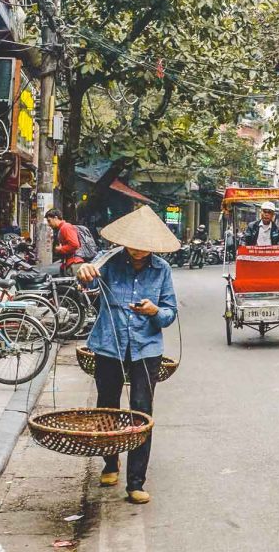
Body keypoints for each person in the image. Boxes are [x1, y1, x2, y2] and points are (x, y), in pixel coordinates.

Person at [76, 206, 180, 505]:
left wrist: (154, 311)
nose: (137, 249)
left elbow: (170, 313)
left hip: (146, 349)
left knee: (140, 411)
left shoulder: (162, 270)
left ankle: (136, 481)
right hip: (109, 344)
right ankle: (110, 463)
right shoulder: (108, 260)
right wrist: (83, 271)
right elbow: (86, 280)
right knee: (107, 407)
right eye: (133, 243)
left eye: (144, 245)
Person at [45, 208, 85, 276]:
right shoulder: (61, 229)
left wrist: (60, 249)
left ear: (55, 218)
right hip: (69, 263)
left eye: (49, 221)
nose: (49, 224)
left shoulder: (66, 227)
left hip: (74, 263)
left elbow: (75, 244)